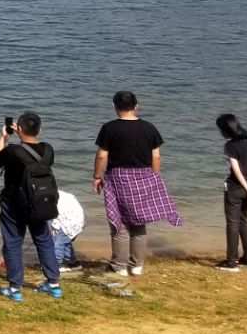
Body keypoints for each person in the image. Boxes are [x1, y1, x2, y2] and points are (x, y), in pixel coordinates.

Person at [93, 90, 182, 275]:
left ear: (114, 107)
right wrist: (154, 177)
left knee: (119, 222)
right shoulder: (149, 128)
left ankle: (119, 265)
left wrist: (97, 176)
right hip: (145, 176)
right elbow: (156, 156)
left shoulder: (109, 128)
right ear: (136, 106)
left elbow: (102, 155)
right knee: (139, 222)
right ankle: (137, 265)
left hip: (118, 177)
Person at [0, 111, 62, 301]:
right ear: (40, 129)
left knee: (13, 242)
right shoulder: (48, 150)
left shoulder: (14, 151)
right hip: (40, 202)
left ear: (19, 129)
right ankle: (53, 284)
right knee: (43, 239)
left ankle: (15, 288)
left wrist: (3, 137)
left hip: (14, 203)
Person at [216, 113, 247, 271]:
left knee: (232, 223)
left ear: (225, 130)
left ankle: (232, 262)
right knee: (243, 221)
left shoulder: (230, 146)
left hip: (236, 188)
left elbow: (237, 172)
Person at [48, 186, 86, 271]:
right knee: (65, 242)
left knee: (58, 243)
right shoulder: (58, 195)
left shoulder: (51, 199)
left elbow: (55, 220)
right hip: (77, 220)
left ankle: (56, 265)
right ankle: (73, 263)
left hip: (70, 222)